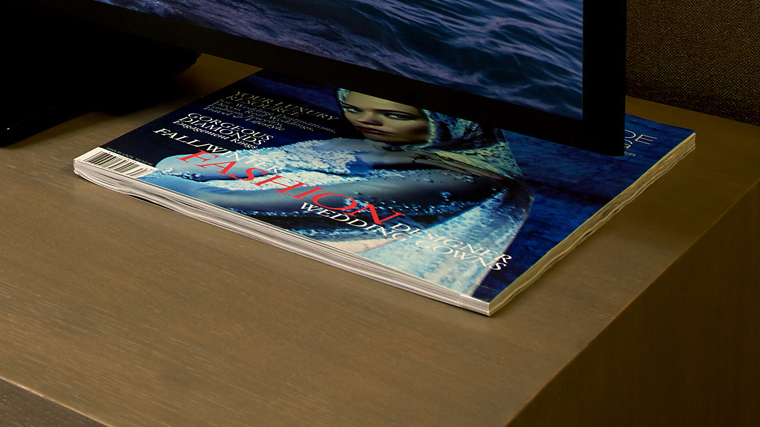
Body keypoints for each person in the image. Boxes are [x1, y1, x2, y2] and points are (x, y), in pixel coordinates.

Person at [148, 90, 531, 293]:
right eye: (352, 107)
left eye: (396, 115)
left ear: (448, 124)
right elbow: (183, 165)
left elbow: (234, 199)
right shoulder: (388, 148)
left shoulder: (471, 179)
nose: (368, 121)